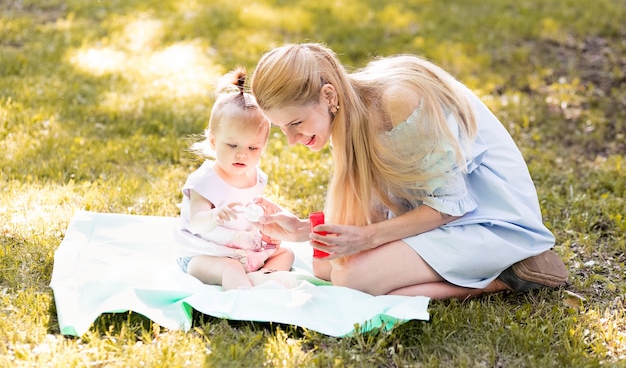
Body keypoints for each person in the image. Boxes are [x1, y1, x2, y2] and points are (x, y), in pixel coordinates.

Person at [248, 43, 568, 300]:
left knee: (350, 280)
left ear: (328, 96)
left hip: (489, 221)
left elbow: (450, 205)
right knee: (325, 268)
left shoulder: (397, 101)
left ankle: (509, 276)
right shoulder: (346, 114)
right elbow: (379, 204)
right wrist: (306, 230)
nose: (291, 140)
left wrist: (368, 238)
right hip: (438, 215)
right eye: (282, 129)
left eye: (295, 124)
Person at [174, 67, 295, 290]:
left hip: (243, 251)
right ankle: (244, 301)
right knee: (230, 268)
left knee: (286, 253)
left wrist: (264, 232)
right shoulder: (206, 181)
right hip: (203, 254)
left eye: (253, 147)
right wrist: (213, 215)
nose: (242, 154)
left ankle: (264, 278)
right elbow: (197, 222)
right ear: (213, 142)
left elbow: (248, 217)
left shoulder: (255, 177)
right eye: (232, 145)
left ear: (263, 146)